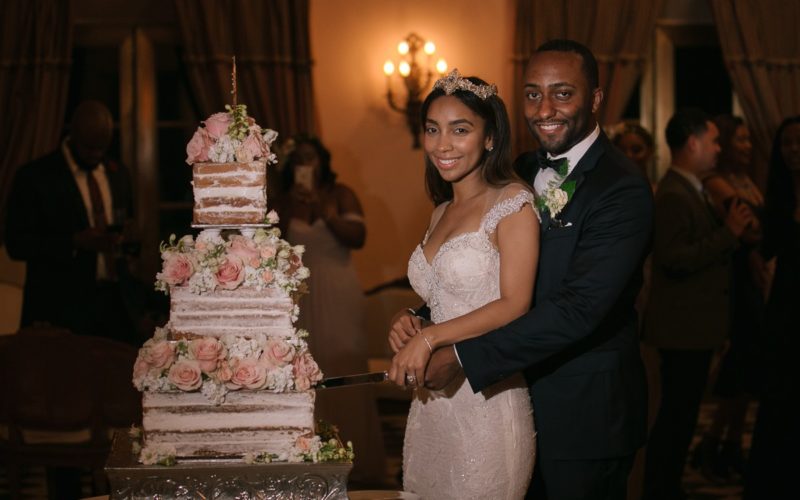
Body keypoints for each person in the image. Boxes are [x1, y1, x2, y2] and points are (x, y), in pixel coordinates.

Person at [392, 39, 654, 500]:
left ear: (595, 98)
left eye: (562, 93)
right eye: (533, 94)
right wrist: (422, 318)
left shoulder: (621, 188)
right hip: (501, 395)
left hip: (579, 410)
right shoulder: (520, 169)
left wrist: (460, 355)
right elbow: (487, 271)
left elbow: (578, 308)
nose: (544, 109)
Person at [387, 69, 539, 499]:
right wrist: (411, 320)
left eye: (460, 129)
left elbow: (514, 303)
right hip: (432, 406)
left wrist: (430, 337)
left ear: (489, 137)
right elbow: (445, 296)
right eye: (433, 129)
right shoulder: (440, 211)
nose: (442, 145)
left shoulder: (512, 203)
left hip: (487, 401)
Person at [641, 108, 753, 500]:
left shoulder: (692, 186)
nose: (719, 148)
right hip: (681, 329)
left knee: (683, 414)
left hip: (692, 327)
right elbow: (674, 258)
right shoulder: (674, 193)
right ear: (693, 143)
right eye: (714, 141)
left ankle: (668, 485)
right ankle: (661, 489)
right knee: (676, 415)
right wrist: (729, 234)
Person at [275, 134, 386, 484]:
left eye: (310, 157)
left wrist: (325, 210)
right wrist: (288, 207)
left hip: (339, 293)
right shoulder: (283, 200)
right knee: (304, 369)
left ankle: (356, 461)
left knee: (343, 365)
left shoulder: (341, 194)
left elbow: (358, 238)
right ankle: (309, 463)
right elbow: (271, 245)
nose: (305, 165)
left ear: (323, 160)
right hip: (298, 295)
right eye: (298, 159)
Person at [5, 100, 139, 346]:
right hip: (59, 306)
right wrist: (74, 242)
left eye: (101, 148)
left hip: (115, 304)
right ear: (72, 135)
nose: (95, 154)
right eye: (89, 147)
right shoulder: (35, 177)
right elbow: (16, 244)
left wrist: (125, 242)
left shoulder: (118, 173)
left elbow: (127, 222)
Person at [691, 114, 765, 482]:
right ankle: (712, 444)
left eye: (748, 140)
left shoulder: (746, 180)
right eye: (739, 140)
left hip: (754, 278)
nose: (746, 146)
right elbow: (750, 231)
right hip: (734, 277)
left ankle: (729, 444)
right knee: (738, 367)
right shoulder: (716, 182)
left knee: (749, 369)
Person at [743, 115, 800, 499]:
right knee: (779, 398)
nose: (793, 150)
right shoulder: (778, 196)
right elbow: (767, 248)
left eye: (799, 142)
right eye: (787, 143)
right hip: (784, 311)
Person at [613, 121, 656, 188]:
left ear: (649, 151)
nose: (629, 155)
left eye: (636, 150)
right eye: (622, 151)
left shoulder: (660, 191)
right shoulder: (610, 191)